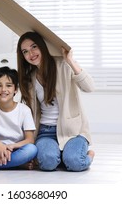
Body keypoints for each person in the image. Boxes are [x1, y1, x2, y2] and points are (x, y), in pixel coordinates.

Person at [16, 31, 95, 172]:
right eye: (25, 51)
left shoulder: (63, 66)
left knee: (75, 162)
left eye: (34, 47)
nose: (31, 53)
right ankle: (61, 155)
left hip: (72, 131)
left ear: (42, 46)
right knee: (47, 162)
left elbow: (89, 87)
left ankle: (87, 155)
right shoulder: (30, 79)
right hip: (45, 132)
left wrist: (70, 60)